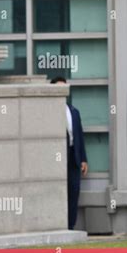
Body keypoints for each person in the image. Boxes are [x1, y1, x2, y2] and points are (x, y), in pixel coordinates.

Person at [51, 76, 88, 229]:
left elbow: (79, 135)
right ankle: (59, 226)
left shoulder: (73, 111)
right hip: (58, 159)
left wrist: (84, 159)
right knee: (58, 193)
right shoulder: (51, 112)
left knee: (74, 191)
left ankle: (70, 226)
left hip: (73, 157)